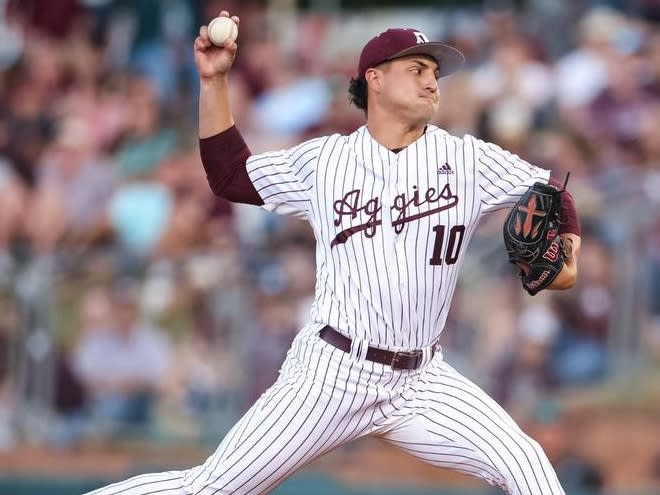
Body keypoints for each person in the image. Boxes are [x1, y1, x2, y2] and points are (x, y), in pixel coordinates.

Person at [86, 12, 582, 495]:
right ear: (376, 80)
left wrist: (569, 259)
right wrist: (214, 82)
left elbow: (555, 194)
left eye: (435, 73)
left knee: (525, 462)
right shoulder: (327, 161)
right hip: (334, 372)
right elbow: (230, 175)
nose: (433, 83)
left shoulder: (469, 159)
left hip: (421, 382)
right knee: (214, 488)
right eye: (417, 70)